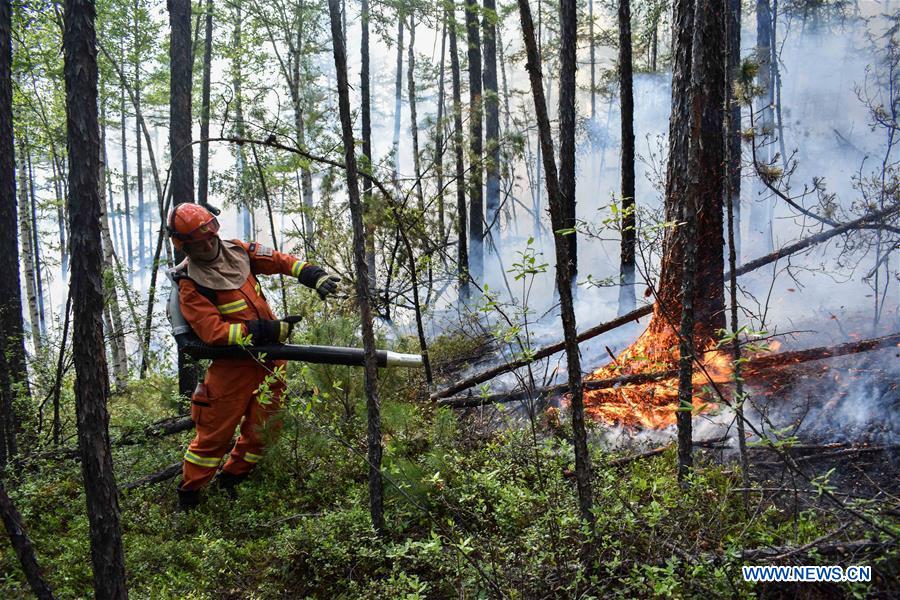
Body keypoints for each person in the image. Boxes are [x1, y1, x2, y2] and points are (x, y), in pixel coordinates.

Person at [167, 203, 339, 511]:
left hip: (270, 363)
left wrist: (312, 274)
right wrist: (267, 331)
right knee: (212, 440)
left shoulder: (239, 251)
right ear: (184, 245)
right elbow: (214, 333)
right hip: (231, 373)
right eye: (197, 243)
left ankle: (233, 480)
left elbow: (277, 260)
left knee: (264, 429)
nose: (207, 245)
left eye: (209, 237)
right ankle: (189, 497)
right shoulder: (191, 284)